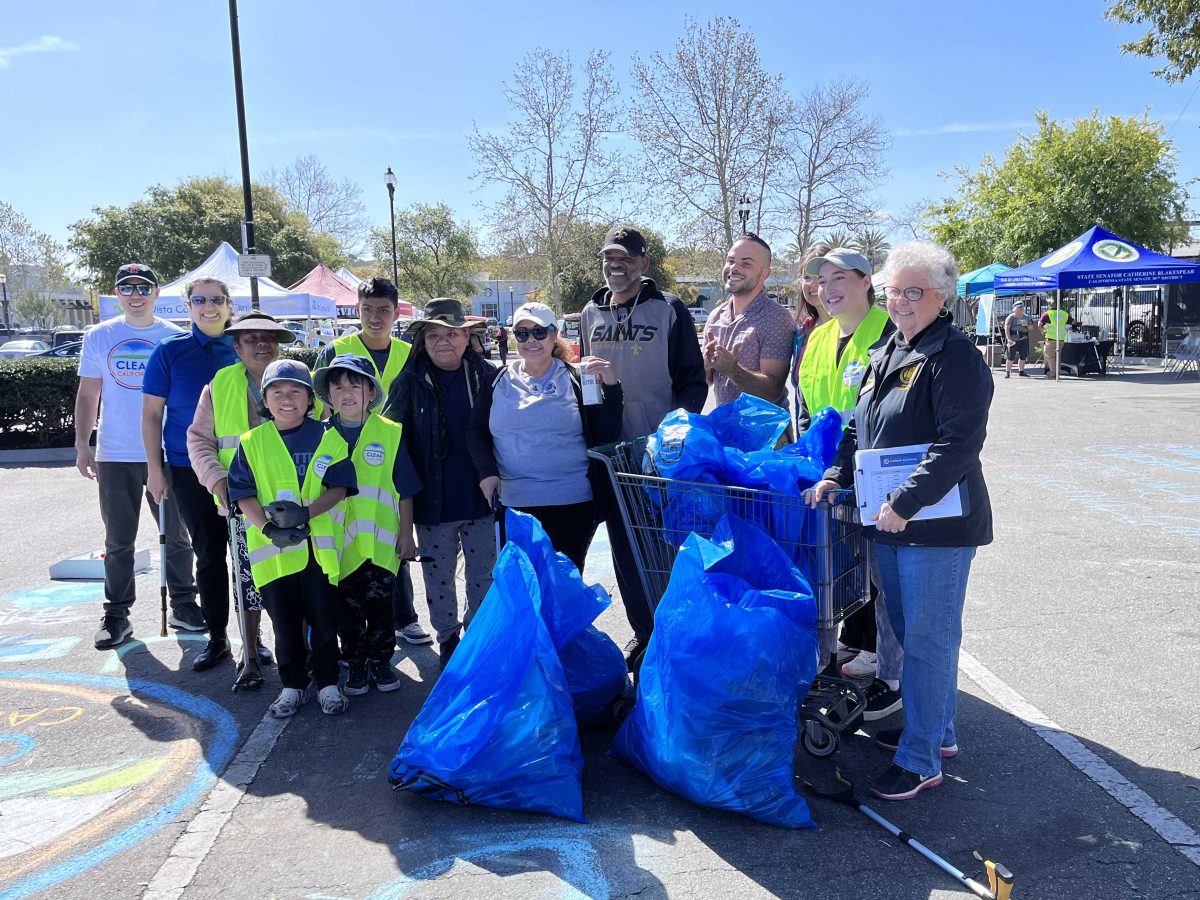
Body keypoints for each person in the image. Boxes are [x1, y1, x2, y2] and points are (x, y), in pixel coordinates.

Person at [811, 241, 993, 801]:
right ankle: (937, 735)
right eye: (895, 291)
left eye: (916, 291)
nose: (902, 301)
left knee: (928, 641)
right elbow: (855, 426)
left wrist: (905, 503)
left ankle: (919, 760)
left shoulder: (955, 356)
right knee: (917, 634)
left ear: (942, 297)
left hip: (932, 526)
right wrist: (837, 475)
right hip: (886, 521)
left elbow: (958, 445)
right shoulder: (891, 346)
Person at [580, 226, 707, 666]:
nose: (616, 266)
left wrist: (676, 433)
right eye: (609, 259)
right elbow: (586, 383)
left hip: (660, 456)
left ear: (643, 264)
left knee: (666, 547)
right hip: (611, 457)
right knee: (625, 549)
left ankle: (676, 631)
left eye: (625, 259)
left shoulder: (668, 309)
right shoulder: (590, 313)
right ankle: (643, 633)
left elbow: (693, 381)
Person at [798, 247, 902, 718]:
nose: (829, 288)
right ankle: (853, 651)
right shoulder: (818, 337)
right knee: (843, 570)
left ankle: (891, 673)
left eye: (840, 277)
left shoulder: (891, 332)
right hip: (828, 476)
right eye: (822, 281)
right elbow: (802, 406)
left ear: (866, 282)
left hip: (875, 473)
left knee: (883, 575)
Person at [75, 263, 200, 649]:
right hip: (116, 453)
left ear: (156, 292)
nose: (135, 294)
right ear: (117, 294)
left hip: (166, 453)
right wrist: (83, 443)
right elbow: (88, 393)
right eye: (126, 288)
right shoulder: (99, 335)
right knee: (118, 539)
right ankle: (116, 615)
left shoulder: (174, 337)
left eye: (142, 287)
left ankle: (184, 604)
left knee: (177, 535)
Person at [226, 359, 357, 718]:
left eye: (296, 390)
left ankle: (328, 683)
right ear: (263, 399)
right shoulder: (251, 442)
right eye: (277, 391)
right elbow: (241, 493)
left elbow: (340, 486)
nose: (287, 399)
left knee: (324, 619)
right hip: (274, 553)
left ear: (310, 398)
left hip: (319, 552)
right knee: (284, 624)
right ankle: (293, 685)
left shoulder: (328, 436)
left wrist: (305, 514)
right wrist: (268, 529)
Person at [382, 299, 497, 669]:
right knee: (439, 579)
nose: (442, 341)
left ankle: (477, 637)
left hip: (482, 501)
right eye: (433, 334)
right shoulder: (409, 381)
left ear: (467, 337)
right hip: (433, 503)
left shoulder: (488, 376)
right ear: (422, 340)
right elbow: (388, 438)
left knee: (484, 577)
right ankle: (448, 639)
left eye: (451, 333)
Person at [314, 278, 428, 648]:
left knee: (393, 535)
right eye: (368, 309)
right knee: (350, 544)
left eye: (384, 310)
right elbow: (317, 408)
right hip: (346, 454)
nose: (375, 317)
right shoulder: (335, 350)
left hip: (396, 450)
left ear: (396, 312)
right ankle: (354, 634)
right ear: (357, 310)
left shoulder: (409, 351)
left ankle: (404, 617)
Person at [468, 302, 622, 570]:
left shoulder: (577, 378)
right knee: (525, 596)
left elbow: (605, 434)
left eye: (539, 332)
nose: (531, 340)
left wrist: (612, 386)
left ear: (554, 335)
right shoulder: (497, 380)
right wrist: (487, 472)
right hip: (515, 506)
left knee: (563, 596)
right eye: (522, 333)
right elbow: (476, 431)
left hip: (572, 505)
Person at [186, 311, 294, 690]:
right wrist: (217, 480)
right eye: (251, 338)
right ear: (236, 346)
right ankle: (249, 655)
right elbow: (199, 440)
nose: (261, 343)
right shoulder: (219, 385)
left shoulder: (299, 379)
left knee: (297, 577)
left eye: (269, 336)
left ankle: (300, 654)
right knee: (247, 581)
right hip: (241, 505)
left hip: (295, 502)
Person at [142, 277, 238, 672]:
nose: (208, 306)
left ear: (229, 304)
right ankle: (218, 638)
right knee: (210, 555)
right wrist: (154, 469)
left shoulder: (244, 345)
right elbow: (151, 415)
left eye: (216, 299)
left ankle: (257, 639)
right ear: (189, 306)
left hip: (248, 469)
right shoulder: (169, 351)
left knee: (253, 559)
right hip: (188, 469)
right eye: (200, 300)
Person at [314, 355, 421, 696]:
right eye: (338, 386)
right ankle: (356, 665)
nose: (346, 393)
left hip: (380, 544)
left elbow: (404, 489)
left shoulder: (389, 433)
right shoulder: (319, 435)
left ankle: (382, 662)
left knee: (380, 609)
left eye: (355, 384)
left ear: (371, 391)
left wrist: (407, 534)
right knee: (346, 611)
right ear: (328, 394)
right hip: (339, 547)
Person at [702, 233, 795, 408]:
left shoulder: (776, 318)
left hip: (765, 433)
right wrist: (705, 365)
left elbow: (773, 391)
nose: (734, 268)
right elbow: (706, 381)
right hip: (724, 429)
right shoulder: (715, 316)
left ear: (764, 273)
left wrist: (733, 370)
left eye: (746, 263)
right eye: (730, 261)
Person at [790, 243, 834, 434]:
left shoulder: (853, 329)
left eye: (821, 277)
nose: (813, 284)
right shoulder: (801, 334)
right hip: (810, 443)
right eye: (807, 277)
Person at [1039, 301, 1074, 378]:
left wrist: (1042, 331)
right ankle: (1057, 372)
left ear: (1050, 307)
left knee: (1050, 356)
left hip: (1051, 338)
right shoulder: (1064, 314)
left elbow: (1040, 324)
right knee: (1057, 356)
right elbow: (1074, 322)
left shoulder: (1047, 314)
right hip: (1061, 339)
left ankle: (1053, 374)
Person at [1003, 300, 1033, 378]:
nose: (1021, 309)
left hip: (1024, 339)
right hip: (1013, 340)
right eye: (1019, 308)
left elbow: (1031, 328)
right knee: (1011, 357)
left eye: (1022, 308)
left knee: (1023, 356)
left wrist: (1027, 325)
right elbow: (1007, 329)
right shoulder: (1011, 317)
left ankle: (1021, 371)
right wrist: (1009, 339)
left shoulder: (1027, 317)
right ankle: (1008, 372)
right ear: (1015, 309)